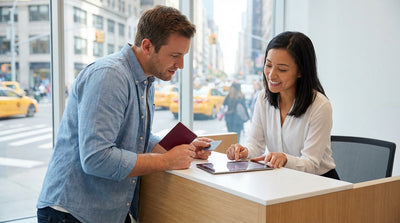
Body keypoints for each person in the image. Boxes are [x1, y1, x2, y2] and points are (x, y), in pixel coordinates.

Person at [37, 5, 212, 223]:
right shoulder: (110, 76)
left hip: (107, 212)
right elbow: (96, 158)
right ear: (147, 46)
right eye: (175, 55)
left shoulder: (145, 80)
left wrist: (180, 149)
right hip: (72, 213)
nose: (181, 65)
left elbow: (135, 140)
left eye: (183, 56)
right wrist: (166, 161)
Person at [226, 31, 339, 180]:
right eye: (268, 65)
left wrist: (285, 159)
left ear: (300, 71)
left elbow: (311, 164)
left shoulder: (320, 106)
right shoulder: (263, 98)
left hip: (319, 183)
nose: (271, 75)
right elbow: (256, 144)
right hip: (283, 179)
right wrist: (244, 151)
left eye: (282, 69)